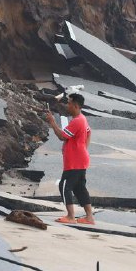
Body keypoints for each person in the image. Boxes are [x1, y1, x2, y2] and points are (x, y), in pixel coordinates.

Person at [45, 93, 95, 225]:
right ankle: (89, 217)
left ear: (76, 106)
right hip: (81, 160)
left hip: (74, 162)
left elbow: (62, 136)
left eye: (69, 103)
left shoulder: (77, 121)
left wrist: (52, 122)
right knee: (80, 188)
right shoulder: (82, 119)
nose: (67, 106)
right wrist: (83, 148)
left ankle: (71, 216)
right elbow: (89, 132)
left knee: (64, 186)